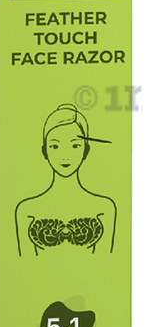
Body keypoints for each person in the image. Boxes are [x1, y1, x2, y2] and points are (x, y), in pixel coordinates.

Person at [15, 104, 116, 256]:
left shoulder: (104, 208)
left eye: (75, 145)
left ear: (86, 150)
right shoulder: (26, 211)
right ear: (44, 151)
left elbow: (106, 262)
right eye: (55, 146)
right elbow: (24, 263)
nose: (65, 156)